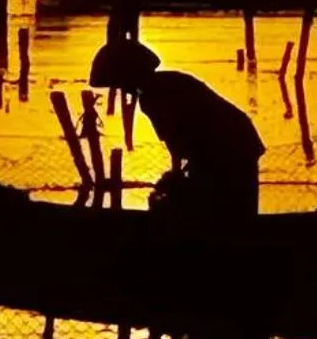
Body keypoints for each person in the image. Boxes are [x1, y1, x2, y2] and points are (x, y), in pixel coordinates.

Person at [89, 36, 264, 225]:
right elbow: (181, 143)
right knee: (233, 212)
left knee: (229, 212)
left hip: (229, 148)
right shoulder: (169, 81)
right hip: (234, 143)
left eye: (121, 84)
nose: (123, 90)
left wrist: (177, 180)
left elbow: (178, 144)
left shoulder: (154, 96)